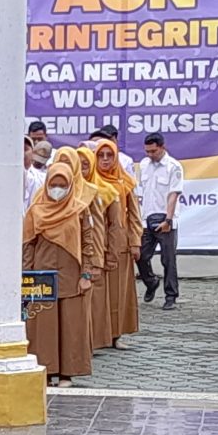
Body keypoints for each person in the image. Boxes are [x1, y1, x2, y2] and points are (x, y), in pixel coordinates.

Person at [23, 149, 100, 386]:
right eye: (53, 184)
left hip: (72, 274)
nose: (57, 189)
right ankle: (45, 371)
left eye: (62, 184)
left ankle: (67, 372)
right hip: (42, 276)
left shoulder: (79, 208)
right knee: (43, 326)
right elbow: (27, 245)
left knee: (71, 324)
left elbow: (88, 243)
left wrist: (87, 274)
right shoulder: (36, 211)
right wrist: (25, 278)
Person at [93, 137, 141, 343]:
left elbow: (134, 215)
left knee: (118, 292)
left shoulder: (125, 182)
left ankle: (115, 335)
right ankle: (97, 335)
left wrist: (135, 241)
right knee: (97, 292)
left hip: (119, 245)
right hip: (95, 243)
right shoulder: (90, 181)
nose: (105, 159)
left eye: (109, 155)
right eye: (100, 155)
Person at [76, 147, 119, 352]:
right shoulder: (66, 190)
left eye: (85, 165)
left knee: (94, 301)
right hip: (71, 255)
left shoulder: (99, 192)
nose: (81, 170)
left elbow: (110, 226)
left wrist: (105, 254)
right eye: (78, 165)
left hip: (93, 252)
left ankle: (92, 342)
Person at [136, 132, 182, 310]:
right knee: (140, 255)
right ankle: (151, 282)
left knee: (168, 259)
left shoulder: (173, 166)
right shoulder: (144, 164)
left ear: (162, 147)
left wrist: (168, 220)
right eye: (147, 151)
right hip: (147, 218)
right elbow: (141, 193)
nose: (150, 155)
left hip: (165, 218)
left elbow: (173, 194)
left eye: (153, 151)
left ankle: (171, 296)